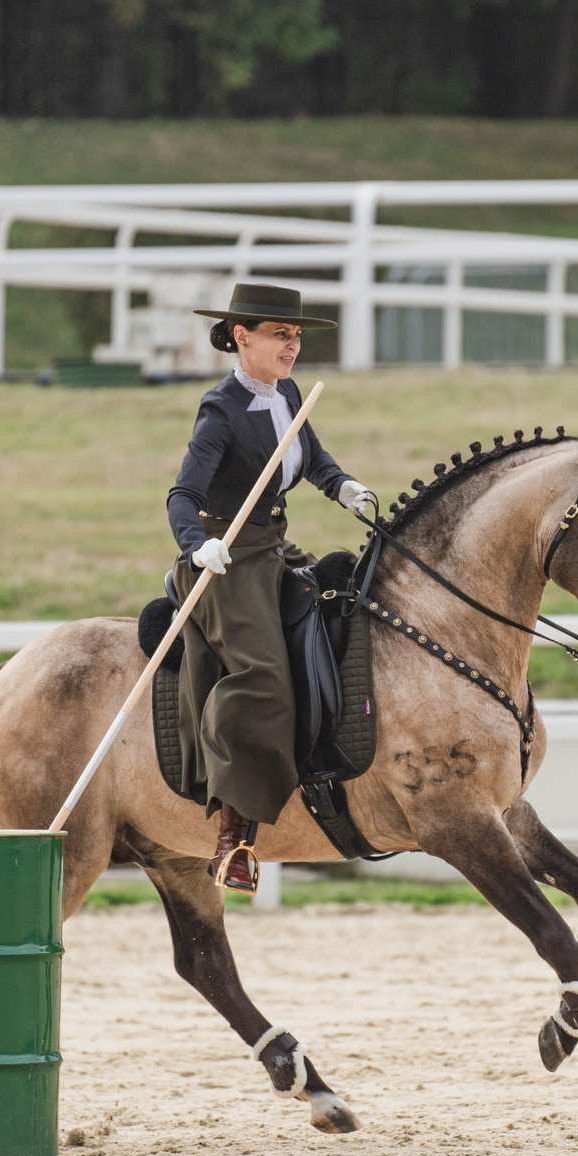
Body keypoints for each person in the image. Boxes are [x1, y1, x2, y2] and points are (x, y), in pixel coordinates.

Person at [168, 282, 377, 892]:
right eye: (281, 335)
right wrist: (195, 544)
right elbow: (183, 494)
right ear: (242, 337)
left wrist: (342, 486)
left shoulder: (288, 392)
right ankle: (235, 835)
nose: (293, 347)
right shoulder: (220, 409)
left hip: (273, 548)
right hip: (224, 558)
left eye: (297, 337)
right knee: (262, 677)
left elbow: (309, 457)